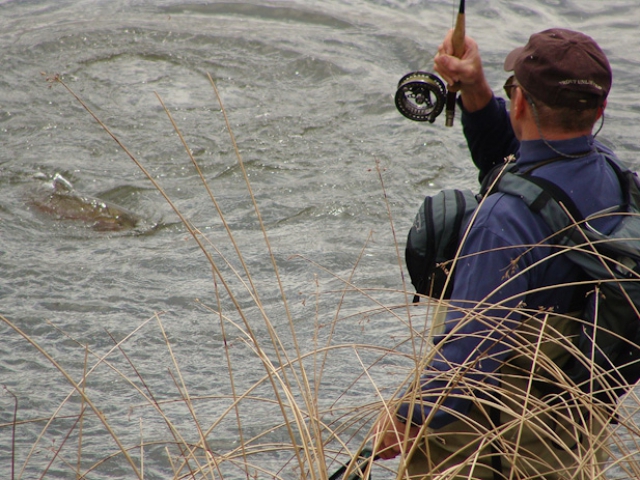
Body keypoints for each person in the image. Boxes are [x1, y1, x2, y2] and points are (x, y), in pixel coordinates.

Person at [372, 28, 623, 479]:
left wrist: (405, 419)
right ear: (600, 109)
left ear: (521, 103)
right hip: (572, 435)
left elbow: (467, 361)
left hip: (498, 446)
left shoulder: (501, 221)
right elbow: (525, 159)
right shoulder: (613, 175)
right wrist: (476, 89)